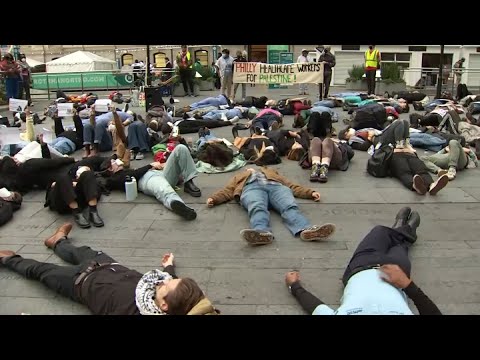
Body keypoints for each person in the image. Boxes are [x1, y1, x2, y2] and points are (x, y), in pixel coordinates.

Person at [0, 224, 219, 315]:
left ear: (163, 305)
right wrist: (169, 266)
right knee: (80, 251)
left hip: (79, 283)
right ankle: (58, 241)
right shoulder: (168, 296)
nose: (161, 280)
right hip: (106, 264)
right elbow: (176, 286)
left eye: (165, 285)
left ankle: (8, 259)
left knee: (40, 271)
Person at [285, 207, 442, 315]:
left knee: (379, 231)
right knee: (399, 247)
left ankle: (403, 230)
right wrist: (408, 285)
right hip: (398, 274)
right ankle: (403, 231)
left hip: (361, 267)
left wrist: (294, 286)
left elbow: (316, 308)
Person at [206, 167, 336, 245]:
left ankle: (307, 230)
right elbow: (228, 190)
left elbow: (291, 185)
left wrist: (310, 193)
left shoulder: (271, 172)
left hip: (276, 187)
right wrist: (214, 198)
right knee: (257, 207)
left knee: (289, 205)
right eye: (249, 168)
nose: (253, 168)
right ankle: (262, 232)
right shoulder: (240, 176)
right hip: (251, 188)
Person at [99, 144, 201, 220]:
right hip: (147, 180)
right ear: (110, 169)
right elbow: (132, 175)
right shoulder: (115, 178)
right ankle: (177, 204)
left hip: (157, 173)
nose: (117, 161)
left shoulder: (123, 169)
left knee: (180, 148)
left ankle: (189, 181)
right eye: (114, 162)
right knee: (162, 188)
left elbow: (124, 153)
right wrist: (150, 165)